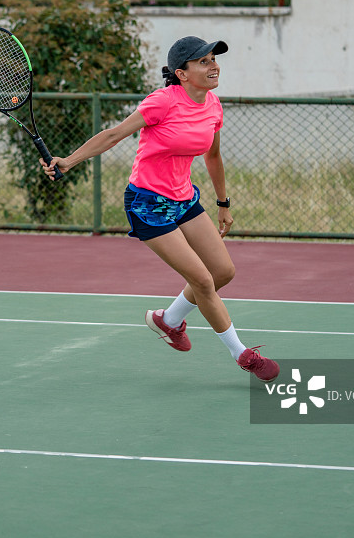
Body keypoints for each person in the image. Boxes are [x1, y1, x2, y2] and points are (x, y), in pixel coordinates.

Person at [41, 36, 279, 382]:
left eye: (213, 59)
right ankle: (242, 354)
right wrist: (69, 161)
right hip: (148, 203)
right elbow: (114, 134)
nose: (213, 66)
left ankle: (167, 320)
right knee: (200, 279)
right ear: (181, 74)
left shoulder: (213, 105)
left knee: (222, 272)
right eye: (203, 62)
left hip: (184, 199)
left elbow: (212, 156)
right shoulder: (162, 102)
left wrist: (223, 203)